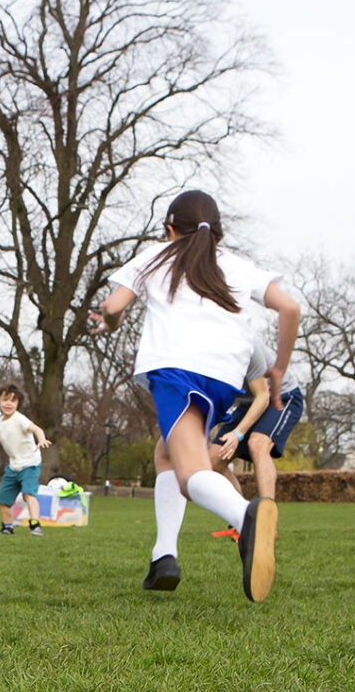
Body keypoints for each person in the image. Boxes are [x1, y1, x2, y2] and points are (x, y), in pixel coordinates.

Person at [94, 189, 300, 602]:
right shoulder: (238, 266)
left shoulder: (157, 255)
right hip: (224, 380)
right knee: (166, 454)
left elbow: (114, 306)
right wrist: (279, 364)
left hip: (176, 374)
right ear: (215, 232)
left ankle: (247, 519)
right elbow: (290, 309)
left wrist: (108, 323)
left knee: (190, 475)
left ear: (171, 229)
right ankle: (163, 556)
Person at [150, 348, 270, 557]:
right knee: (172, 454)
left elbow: (263, 395)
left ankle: (247, 516)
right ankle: (164, 554)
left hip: (276, 396)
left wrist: (238, 434)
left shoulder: (244, 341)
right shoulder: (240, 330)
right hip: (223, 389)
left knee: (183, 467)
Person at [210, 336, 305, 513]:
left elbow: (263, 396)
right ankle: (242, 517)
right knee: (213, 462)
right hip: (247, 403)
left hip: (281, 396)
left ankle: (266, 521)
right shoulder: (202, 356)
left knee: (257, 443)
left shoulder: (246, 346)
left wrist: (238, 434)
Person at [0, 383, 51, 536]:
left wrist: (41, 440)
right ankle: (7, 527)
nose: (8, 404)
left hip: (30, 464)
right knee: (3, 499)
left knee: (29, 495)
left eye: (13, 400)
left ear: (18, 403)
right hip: (14, 467)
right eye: (4, 400)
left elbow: (37, 429)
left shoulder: (20, 419)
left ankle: (35, 525)